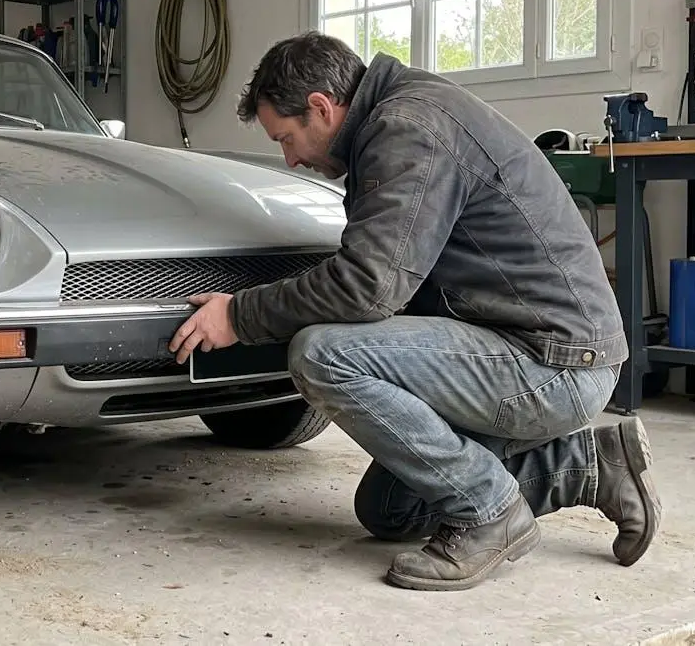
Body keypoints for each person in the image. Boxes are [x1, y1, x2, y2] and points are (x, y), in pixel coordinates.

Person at [167, 32, 660, 592]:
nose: (291, 159)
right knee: (391, 510)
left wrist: (239, 316)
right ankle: (590, 466)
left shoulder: (407, 129)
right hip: (531, 347)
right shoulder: (399, 117)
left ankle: (490, 514)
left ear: (321, 108)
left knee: (323, 355)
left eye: (286, 138)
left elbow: (367, 288)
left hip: (553, 362)